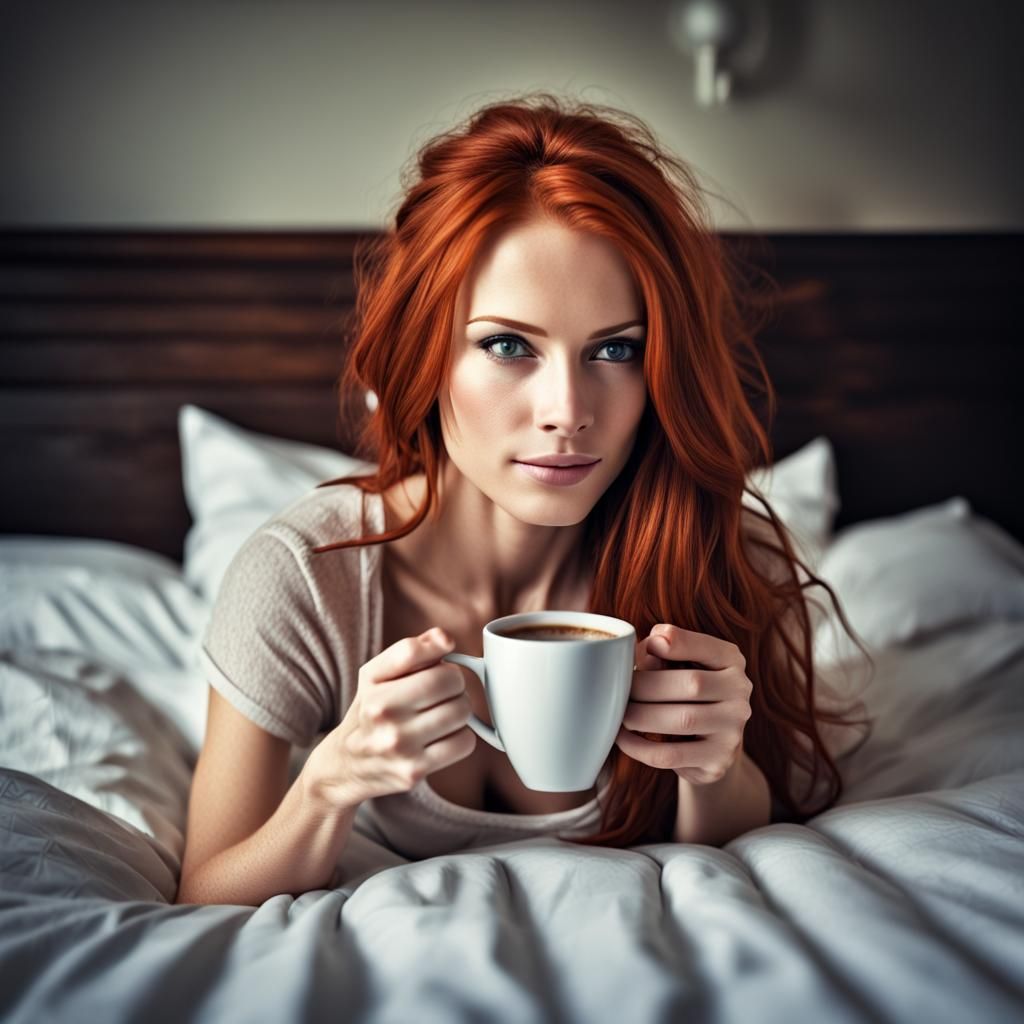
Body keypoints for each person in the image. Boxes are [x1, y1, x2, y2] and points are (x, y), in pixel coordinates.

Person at [175, 93, 871, 906]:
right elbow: (205, 892)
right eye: (508, 345)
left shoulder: (717, 557)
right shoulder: (305, 578)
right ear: (426, 355)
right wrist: (326, 788)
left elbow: (750, 837)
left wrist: (718, 769)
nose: (567, 410)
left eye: (615, 349)